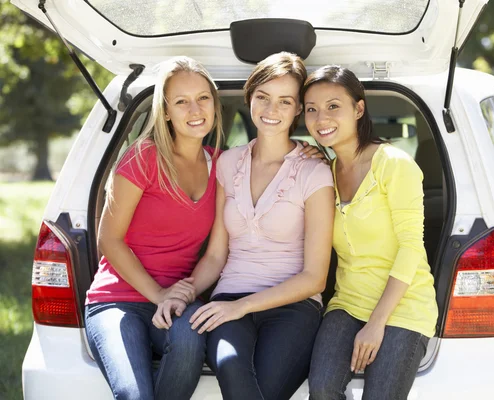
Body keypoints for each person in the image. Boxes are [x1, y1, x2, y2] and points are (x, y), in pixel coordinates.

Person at [153, 52, 335, 400]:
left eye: (285, 101)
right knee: (232, 366)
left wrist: (243, 306)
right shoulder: (228, 162)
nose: (272, 109)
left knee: (260, 390)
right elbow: (217, 254)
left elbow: (315, 278)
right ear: (249, 97)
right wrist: (186, 291)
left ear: (298, 109)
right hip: (228, 298)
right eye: (263, 97)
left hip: (293, 306)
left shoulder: (315, 172)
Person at [84, 56, 224, 400]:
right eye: (181, 101)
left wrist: (184, 293)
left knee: (190, 341)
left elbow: (217, 254)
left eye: (203, 98)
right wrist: (158, 295)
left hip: (177, 298)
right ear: (164, 111)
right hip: (117, 300)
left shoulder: (223, 165)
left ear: (214, 104)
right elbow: (110, 240)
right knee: (133, 394)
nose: (195, 109)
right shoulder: (142, 157)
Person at [302, 65, 438, 400]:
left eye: (334, 106)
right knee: (321, 389)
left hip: (404, 305)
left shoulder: (394, 164)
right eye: (312, 110)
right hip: (348, 302)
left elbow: (411, 248)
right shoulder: (323, 172)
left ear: (358, 108)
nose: (322, 118)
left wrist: (377, 324)